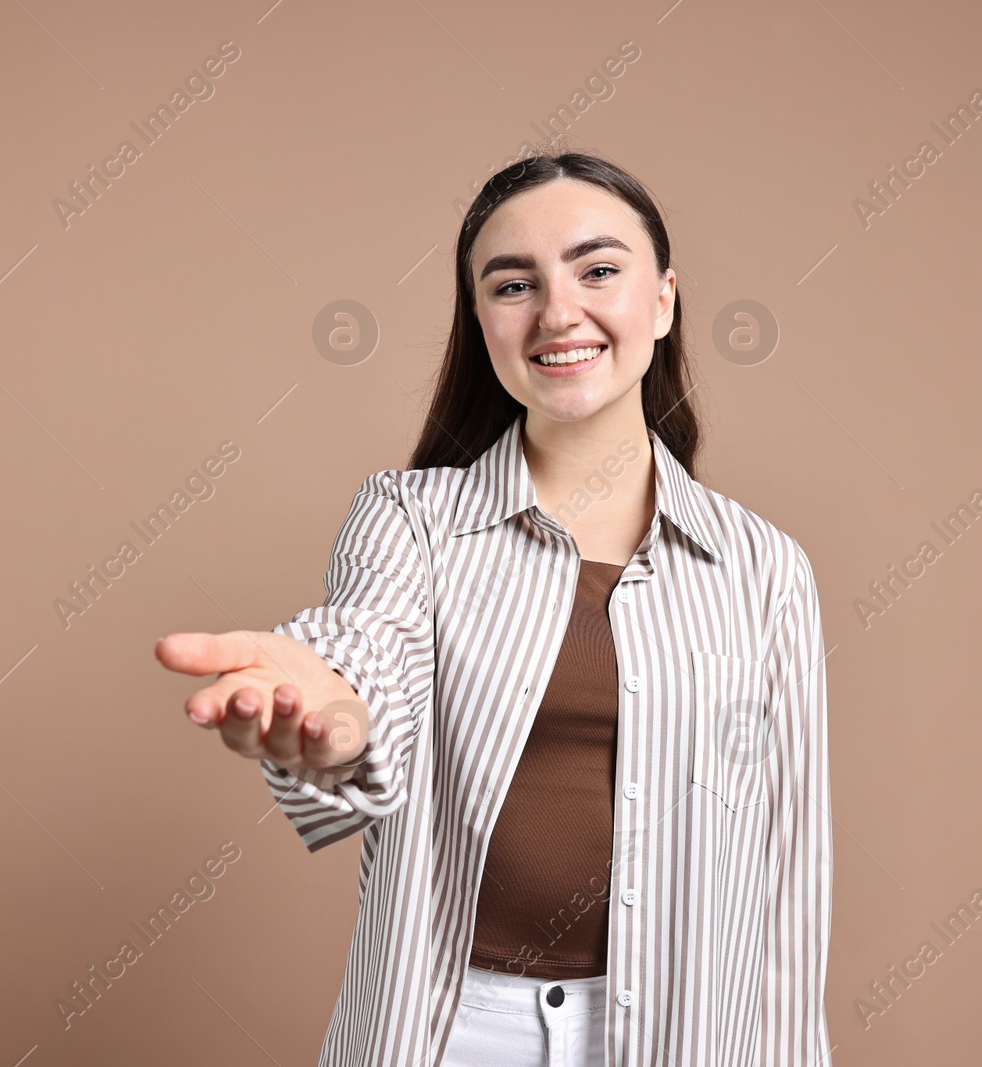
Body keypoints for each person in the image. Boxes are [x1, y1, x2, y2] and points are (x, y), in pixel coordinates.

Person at [156, 151, 832, 1067]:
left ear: (664, 299)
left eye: (598, 270)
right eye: (515, 285)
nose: (558, 312)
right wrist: (331, 713)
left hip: (682, 1039)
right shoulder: (411, 521)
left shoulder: (763, 569)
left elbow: (788, 879)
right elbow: (369, 658)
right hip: (453, 1034)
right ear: (482, 322)